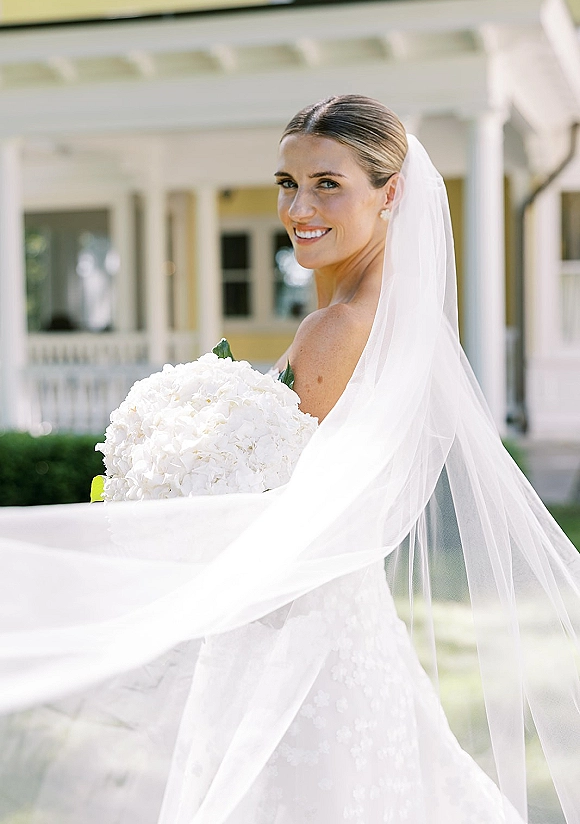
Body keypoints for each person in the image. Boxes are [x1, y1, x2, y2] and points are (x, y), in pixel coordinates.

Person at [0, 95, 579, 824]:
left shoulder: (337, 329)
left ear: (389, 192)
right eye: (287, 183)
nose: (299, 206)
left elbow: (279, 511)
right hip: (343, 626)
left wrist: (171, 502)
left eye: (327, 183)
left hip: (297, 647)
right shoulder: (396, 319)